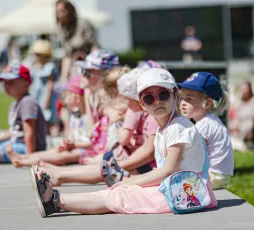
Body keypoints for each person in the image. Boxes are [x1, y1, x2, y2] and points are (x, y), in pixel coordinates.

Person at [29, 68, 217, 217]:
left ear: (175, 95)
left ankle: (55, 200)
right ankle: (55, 199)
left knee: (120, 195)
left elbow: (168, 170)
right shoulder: (166, 128)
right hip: (181, 189)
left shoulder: (177, 127)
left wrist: (131, 182)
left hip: (187, 194)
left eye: (163, 94)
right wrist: (130, 181)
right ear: (142, 104)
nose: (157, 101)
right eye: (149, 98)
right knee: (120, 190)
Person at [6, 66, 130, 168]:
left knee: (64, 156)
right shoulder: (76, 116)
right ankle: (25, 158)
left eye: (67, 95)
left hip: (87, 150)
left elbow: (92, 141)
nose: (64, 99)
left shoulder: (90, 116)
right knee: (56, 152)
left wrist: (74, 144)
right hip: (81, 147)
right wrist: (69, 142)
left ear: (76, 97)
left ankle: (25, 161)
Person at [0, 64, 47, 164]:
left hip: (31, 147)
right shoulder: (15, 104)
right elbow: (14, 130)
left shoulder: (28, 102)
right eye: (5, 82)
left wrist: (30, 157)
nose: (6, 86)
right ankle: (1, 155)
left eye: (11, 82)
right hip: (17, 142)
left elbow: (30, 132)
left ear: (26, 83)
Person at [178, 72, 234, 190]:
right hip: (219, 175)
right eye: (181, 98)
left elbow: (190, 151)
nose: (182, 103)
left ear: (207, 103)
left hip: (213, 176)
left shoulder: (205, 125)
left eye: (188, 98)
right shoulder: (209, 120)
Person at [56, 0, 98, 84]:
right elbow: (67, 55)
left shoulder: (83, 23)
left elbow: (94, 47)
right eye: (57, 12)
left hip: (89, 66)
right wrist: (63, 78)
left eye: (62, 11)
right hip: (74, 68)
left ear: (70, 11)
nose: (60, 15)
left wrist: (94, 67)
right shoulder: (62, 29)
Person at [29, 39, 60, 136]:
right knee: (41, 119)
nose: (35, 57)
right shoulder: (37, 67)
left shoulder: (49, 67)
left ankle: (54, 137)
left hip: (46, 97)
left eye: (37, 54)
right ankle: (45, 136)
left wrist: (47, 100)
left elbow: (50, 84)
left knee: (50, 118)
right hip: (37, 96)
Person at [229, 81, 254, 151]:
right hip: (239, 123)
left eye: (245, 89)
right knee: (231, 126)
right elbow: (234, 115)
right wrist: (235, 122)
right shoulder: (238, 102)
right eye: (242, 89)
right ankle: (239, 145)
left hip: (249, 122)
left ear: (249, 89)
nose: (243, 91)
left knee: (247, 126)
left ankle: (242, 145)